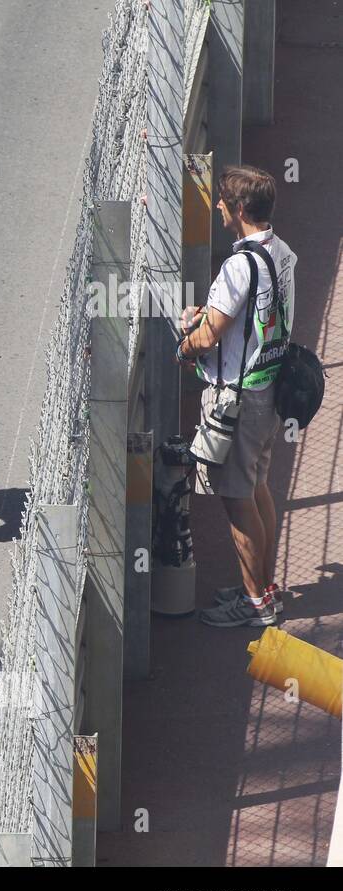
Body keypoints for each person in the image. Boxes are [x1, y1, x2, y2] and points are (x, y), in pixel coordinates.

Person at [175, 165, 296, 628]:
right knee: (256, 488)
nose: (219, 205)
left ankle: (256, 604)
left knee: (235, 499)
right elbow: (262, 317)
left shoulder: (238, 264)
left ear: (241, 209)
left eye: (223, 199)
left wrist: (184, 342)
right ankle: (264, 588)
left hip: (238, 399)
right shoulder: (281, 253)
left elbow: (209, 338)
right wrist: (212, 317)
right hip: (268, 389)